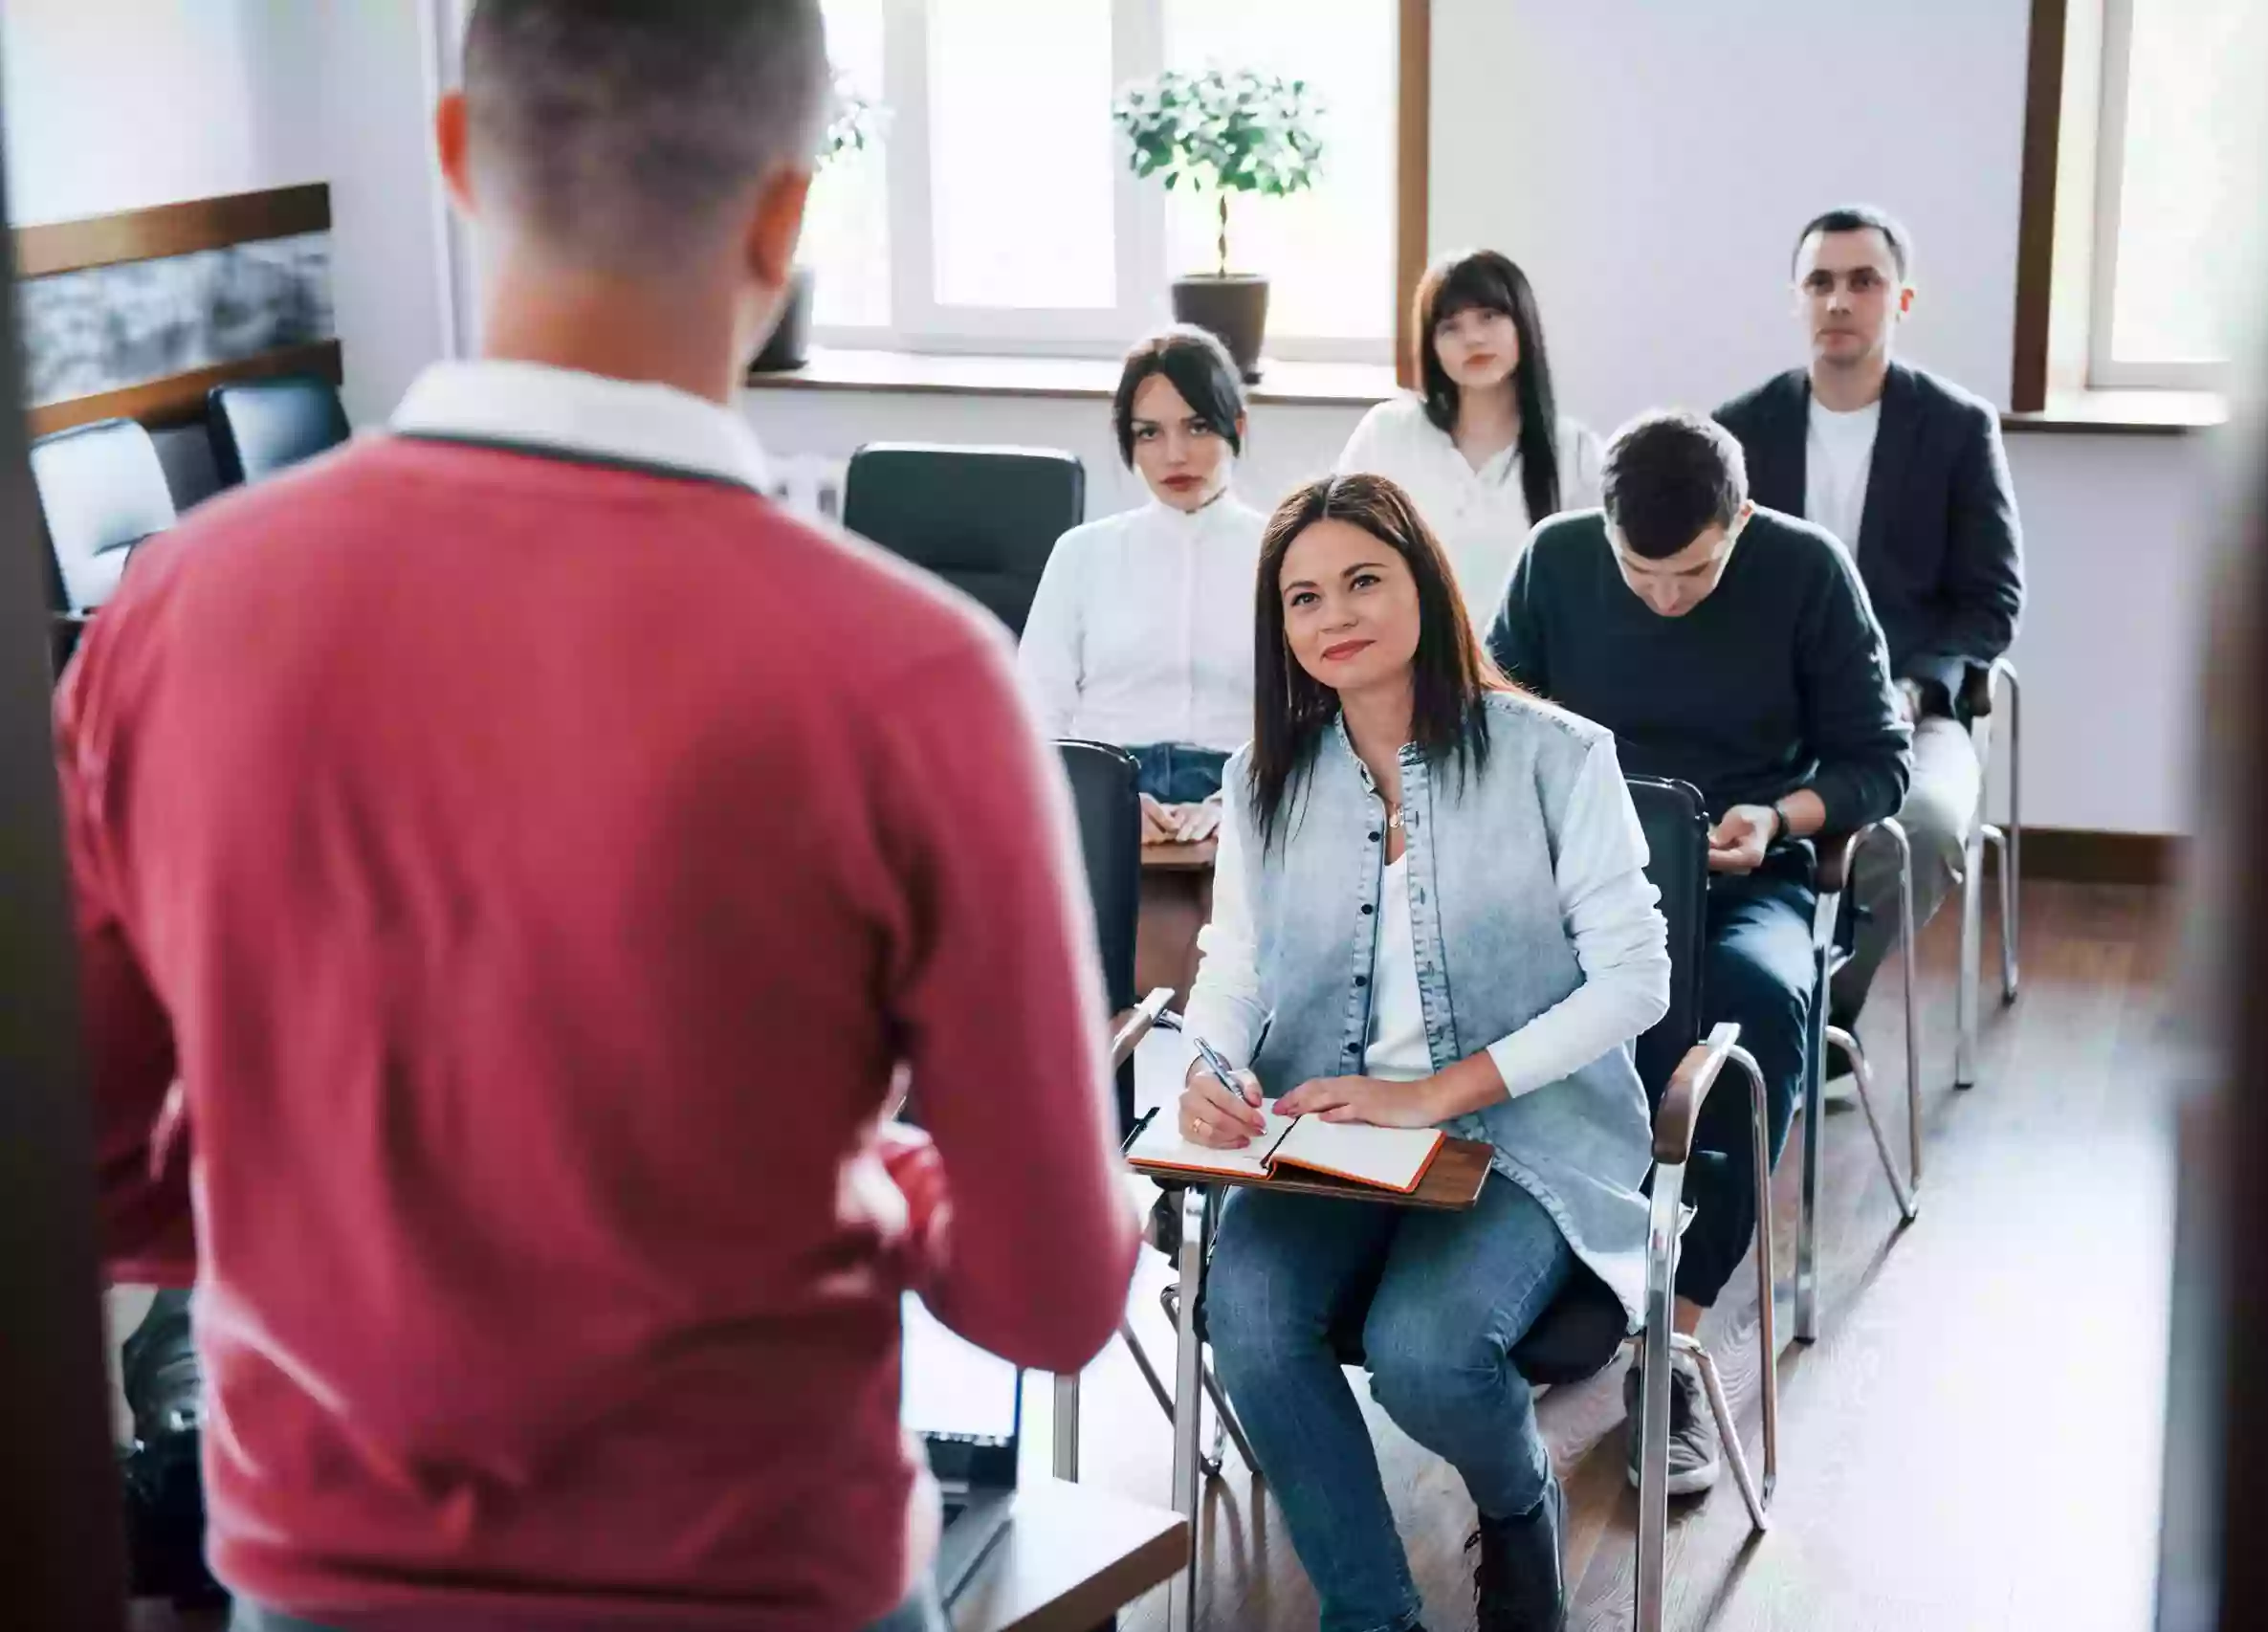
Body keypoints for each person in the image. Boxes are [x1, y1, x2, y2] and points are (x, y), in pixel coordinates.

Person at [54, 5, 1140, 1629]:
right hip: (766, 1583)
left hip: (324, 1588)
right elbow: (1055, 1292)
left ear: (454, 161)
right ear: (787, 215)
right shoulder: (917, 675)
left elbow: (83, 1157)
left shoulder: (178, 608)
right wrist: (888, 1177)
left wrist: (349, 1176)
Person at [1178, 474, 1669, 1632]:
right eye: (1302, 597)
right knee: (1243, 1314)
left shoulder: (1558, 756)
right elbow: (1233, 962)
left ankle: (1515, 1503)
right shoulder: (1261, 782)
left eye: (1362, 580)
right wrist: (1208, 1060)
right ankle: (1371, 1614)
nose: (1332, 616)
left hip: (1521, 1136)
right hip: (1330, 1124)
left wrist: (1436, 1092)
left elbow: (1636, 977)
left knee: (1427, 1351)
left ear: (1425, 586)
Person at [1487, 410, 1910, 1496]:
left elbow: (1876, 762)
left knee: (1751, 1014)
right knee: (1486, 995)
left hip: (1741, 877)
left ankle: (1666, 1346)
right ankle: (1546, 1282)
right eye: (1641, 571)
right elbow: (1489, 724)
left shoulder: (1807, 570)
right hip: (1574, 880)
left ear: (1743, 520)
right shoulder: (1554, 559)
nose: (1665, 595)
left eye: (1694, 571)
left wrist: (1778, 817)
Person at [1713, 205, 2023, 1056]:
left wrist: (1917, 685)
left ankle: (1818, 1014)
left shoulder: (1957, 428)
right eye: (1821, 282)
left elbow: (1992, 600)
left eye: (1863, 281)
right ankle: (1741, 1000)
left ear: (1902, 300)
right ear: (1797, 299)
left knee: (1920, 829)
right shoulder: (1739, 428)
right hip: (1772, 710)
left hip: (1914, 707)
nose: (1840, 300)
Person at [1019, 324, 1266, 846]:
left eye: (1197, 427)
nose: (1174, 455)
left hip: (1244, 792)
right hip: (1108, 784)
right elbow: (1035, 714)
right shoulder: (1082, 553)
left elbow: (1317, 718)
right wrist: (1104, 800)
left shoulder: (1285, 554)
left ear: (1236, 426)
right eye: (1148, 433)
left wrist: (1237, 804)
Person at [1336, 250, 1604, 632]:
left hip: (1526, 678)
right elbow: (1336, 551)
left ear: (1522, 324)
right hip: (1409, 662)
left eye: (1489, 317)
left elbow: (1593, 587)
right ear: (1431, 345)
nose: (1473, 338)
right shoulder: (1388, 433)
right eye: (1450, 327)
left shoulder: (1575, 451)